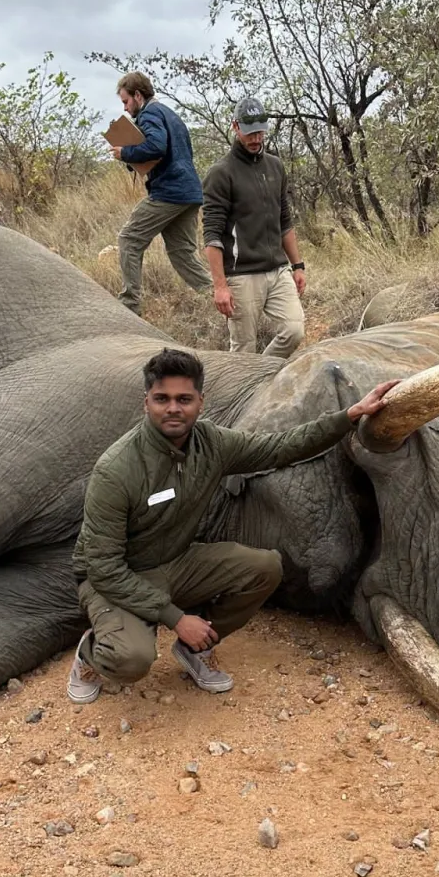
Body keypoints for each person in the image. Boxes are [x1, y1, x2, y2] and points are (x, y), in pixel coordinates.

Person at [68, 347, 397, 702]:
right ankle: (91, 653)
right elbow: (102, 567)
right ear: (146, 402)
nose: (173, 408)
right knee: (131, 660)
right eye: (162, 398)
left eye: (184, 398)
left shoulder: (212, 444)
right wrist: (176, 618)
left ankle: (195, 650)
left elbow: (281, 447)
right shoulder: (116, 469)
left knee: (265, 566)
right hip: (114, 578)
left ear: (200, 401)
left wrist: (349, 416)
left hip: (175, 563)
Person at [202, 96, 306, 358]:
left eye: (260, 132)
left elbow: (285, 220)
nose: (256, 139)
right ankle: (244, 392)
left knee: (294, 331)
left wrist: (298, 266)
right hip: (241, 274)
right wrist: (220, 286)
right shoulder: (221, 173)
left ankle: (261, 377)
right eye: (249, 133)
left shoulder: (275, 166)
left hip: (277, 270)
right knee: (243, 350)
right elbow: (212, 235)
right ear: (235, 127)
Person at [108, 72, 213, 315]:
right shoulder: (170, 114)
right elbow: (166, 152)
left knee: (129, 240)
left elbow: (156, 146)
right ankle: (217, 297)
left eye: (126, 102)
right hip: (189, 192)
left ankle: (129, 306)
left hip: (169, 192)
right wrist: (131, 156)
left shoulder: (150, 113)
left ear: (137, 95)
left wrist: (125, 153)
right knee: (182, 254)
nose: (125, 109)